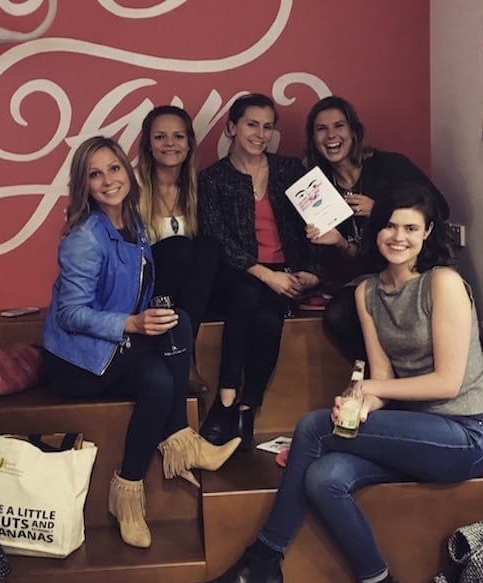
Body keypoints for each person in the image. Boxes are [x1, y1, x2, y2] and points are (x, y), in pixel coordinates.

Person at [190, 181, 483, 583]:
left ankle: (263, 563)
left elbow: (448, 382)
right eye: (389, 226)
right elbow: (384, 380)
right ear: (376, 231)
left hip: (465, 432)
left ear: (426, 233)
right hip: (415, 429)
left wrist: (370, 388)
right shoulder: (369, 291)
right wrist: (361, 399)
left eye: (410, 228)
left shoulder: (441, 282)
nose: (398, 237)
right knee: (323, 477)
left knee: (313, 428)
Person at [42, 136, 240, 550]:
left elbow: (134, 291)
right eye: (95, 174)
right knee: (167, 359)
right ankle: (174, 451)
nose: (108, 180)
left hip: (113, 347)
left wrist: (147, 317)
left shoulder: (132, 223)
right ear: (84, 184)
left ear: (127, 172)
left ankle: (134, 487)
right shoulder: (84, 237)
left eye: (114, 168)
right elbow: (69, 314)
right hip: (77, 360)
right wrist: (133, 323)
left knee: (172, 344)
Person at [198, 93, 321, 451]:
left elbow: (316, 227)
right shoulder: (213, 178)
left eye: (268, 127)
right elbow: (216, 238)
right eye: (252, 124)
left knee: (269, 320)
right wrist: (267, 275)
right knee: (248, 293)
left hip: (285, 274)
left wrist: (311, 272)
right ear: (232, 127)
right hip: (237, 273)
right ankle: (225, 400)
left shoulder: (290, 170)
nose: (261, 134)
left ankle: (246, 410)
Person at [305, 96, 450, 361]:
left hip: (418, 269)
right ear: (313, 138)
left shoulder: (390, 165)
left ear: (354, 132)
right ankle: (381, 374)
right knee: (337, 314)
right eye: (321, 129)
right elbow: (361, 256)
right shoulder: (320, 188)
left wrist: (382, 209)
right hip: (374, 275)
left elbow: (440, 208)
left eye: (339, 126)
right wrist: (339, 243)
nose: (331, 136)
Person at [138, 105, 219, 394]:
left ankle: (183, 351)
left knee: (208, 247)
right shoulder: (132, 188)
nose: (170, 144)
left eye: (178, 136)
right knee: (179, 248)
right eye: (160, 137)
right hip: (149, 286)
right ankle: (185, 358)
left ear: (189, 144)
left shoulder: (200, 186)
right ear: (148, 144)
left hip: (187, 295)